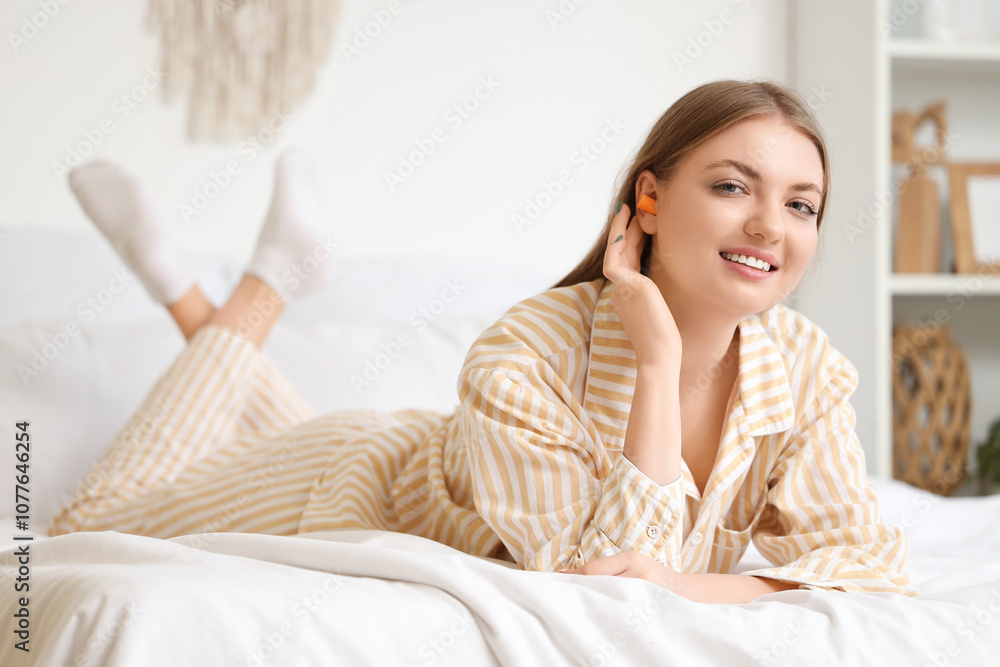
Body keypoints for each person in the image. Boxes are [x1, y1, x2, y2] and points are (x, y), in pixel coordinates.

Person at [49, 79, 918, 604]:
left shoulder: (804, 366)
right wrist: (656, 362)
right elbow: (596, 581)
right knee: (71, 529)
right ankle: (267, 281)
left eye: (801, 204)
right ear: (648, 201)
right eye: (733, 187)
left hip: (438, 463)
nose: (771, 226)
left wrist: (692, 586)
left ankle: (197, 285)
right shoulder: (528, 348)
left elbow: (865, 560)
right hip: (345, 481)